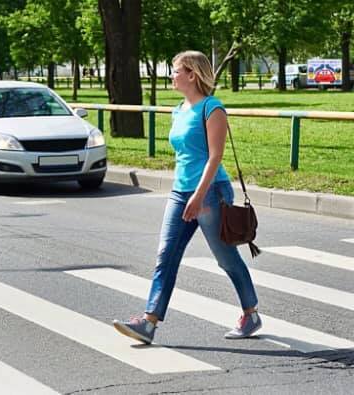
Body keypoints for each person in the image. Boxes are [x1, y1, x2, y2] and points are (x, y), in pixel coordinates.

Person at [112, 50, 261, 344]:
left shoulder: (212, 108)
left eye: (176, 70)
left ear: (192, 74)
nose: (171, 75)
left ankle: (250, 313)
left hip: (210, 191)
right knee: (166, 254)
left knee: (225, 257)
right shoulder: (178, 110)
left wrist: (200, 195)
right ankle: (149, 322)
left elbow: (215, 157)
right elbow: (184, 155)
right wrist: (186, 193)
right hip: (181, 192)